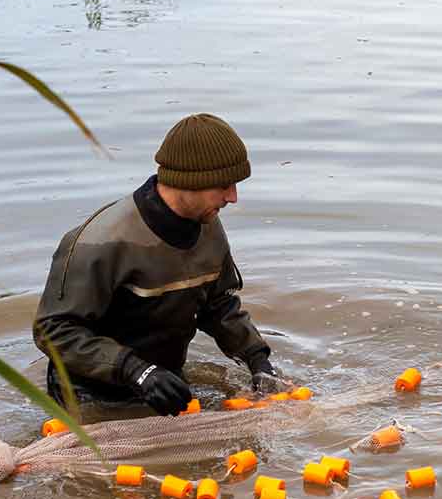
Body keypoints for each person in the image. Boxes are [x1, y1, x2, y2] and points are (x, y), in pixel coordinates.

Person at [33, 113, 283, 415]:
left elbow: (218, 306)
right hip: (91, 395)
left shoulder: (209, 227)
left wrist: (258, 361)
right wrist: (137, 371)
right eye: (224, 185)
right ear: (192, 180)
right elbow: (54, 330)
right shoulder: (100, 243)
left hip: (167, 384)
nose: (233, 197)